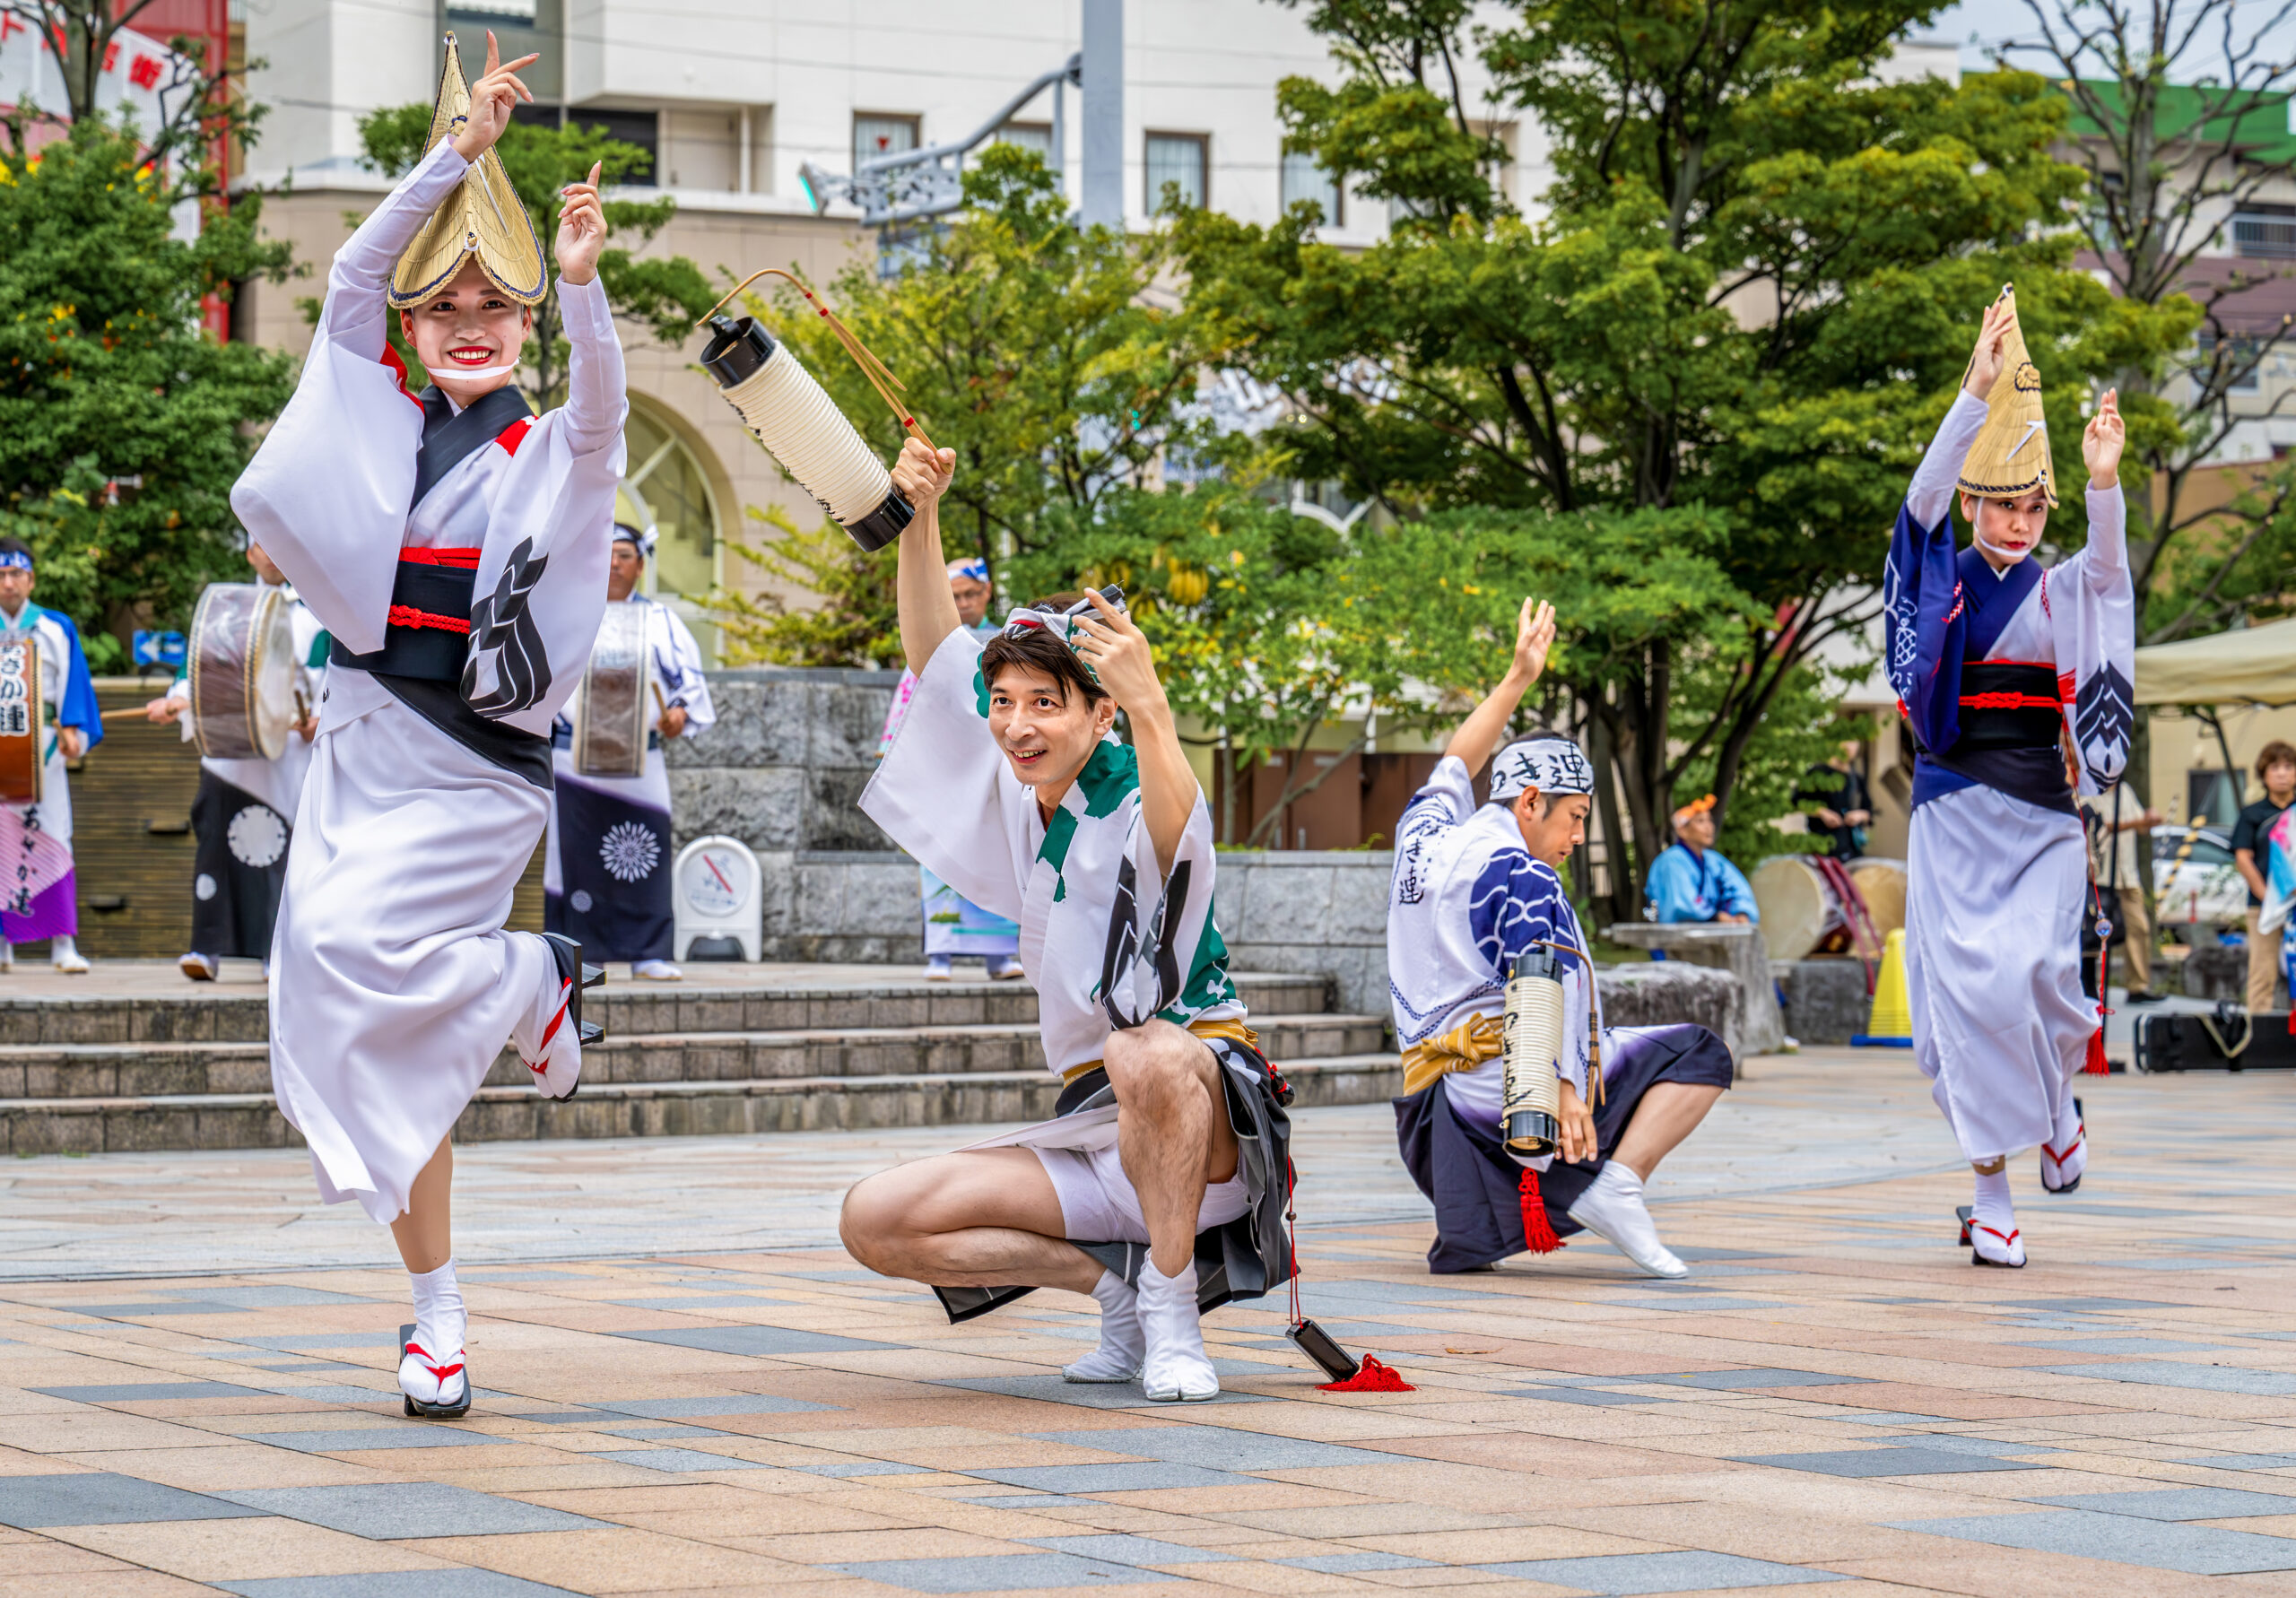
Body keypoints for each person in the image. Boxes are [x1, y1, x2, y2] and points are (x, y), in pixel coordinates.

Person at [228, 31, 622, 1417]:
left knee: (345, 954)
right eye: (443, 303)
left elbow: (605, 418)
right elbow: (342, 281)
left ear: (522, 326)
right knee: (342, 1010)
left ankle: (525, 982)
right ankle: (435, 1314)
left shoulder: (545, 449)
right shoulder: (377, 419)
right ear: (413, 324)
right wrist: (450, 160)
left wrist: (580, 292)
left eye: (495, 307)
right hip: (356, 746)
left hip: (475, 771)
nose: (467, 320)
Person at [840, 439, 1291, 1405]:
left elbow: (1178, 831)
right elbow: (933, 653)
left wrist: (1154, 704)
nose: (1015, 725)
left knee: (1146, 1052)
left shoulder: (1132, 786)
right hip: (1096, 1130)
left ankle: (1174, 1312)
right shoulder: (1019, 787)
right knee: (876, 1219)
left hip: (1201, 1120)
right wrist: (920, 516)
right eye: (1004, 704)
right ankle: (1118, 1291)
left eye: (1046, 704)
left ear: (1098, 715)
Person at [1883, 288, 2133, 1268]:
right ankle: (1991, 1198)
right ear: (1975, 504)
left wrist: (2102, 481)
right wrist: (1971, 395)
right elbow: (1919, 509)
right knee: (1963, 1002)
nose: (2023, 519)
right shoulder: (1937, 576)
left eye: (2037, 504)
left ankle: (2057, 1109)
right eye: (2005, 502)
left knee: (2032, 976)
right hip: (1950, 812)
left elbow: (2109, 580)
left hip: (2040, 814)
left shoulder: (2061, 589)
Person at [1386, 601, 1732, 1279]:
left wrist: (1518, 677)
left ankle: (1534, 1202)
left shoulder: (1423, 837)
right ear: (1530, 802)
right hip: (1509, 1100)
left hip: (1429, 1113)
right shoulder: (1518, 872)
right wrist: (1567, 1088)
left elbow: (1458, 760)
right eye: (1574, 818)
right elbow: (1537, 980)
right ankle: (1616, 1184)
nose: (1577, 838)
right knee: (1700, 1053)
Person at [144, 544, 327, 980]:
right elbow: (197, 670)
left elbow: (328, 679)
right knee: (214, 844)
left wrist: (321, 716)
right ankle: (204, 950)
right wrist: (175, 701)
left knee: (281, 852)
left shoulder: (316, 615)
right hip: (228, 754)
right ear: (249, 553)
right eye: (264, 542)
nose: (274, 552)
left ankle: (275, 952)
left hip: (285, 753)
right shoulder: (227, 611)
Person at [544, 524, 714, 981]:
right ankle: (576, 954)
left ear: (641, 564)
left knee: (643, 852)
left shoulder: (660, 621)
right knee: (573, 859)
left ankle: (647, 951)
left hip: (641, 762)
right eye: (607, 553)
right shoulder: (564, 615)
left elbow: (689, 684)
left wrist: (678, 712)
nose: (615, 563)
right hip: (572, 761)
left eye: (624, 554)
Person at [874, 556, 1022, 981]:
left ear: (987, 593)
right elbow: (909, 702)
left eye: (970, 594)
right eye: (955, 596)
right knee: (938, 860)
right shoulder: (935, 642)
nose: (963, 603)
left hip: (995, 768)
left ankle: (1000, 956)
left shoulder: (1009, 639)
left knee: (997, 856)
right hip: (945, 769)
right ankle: (939, 956)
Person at [0, 537, 102, 975]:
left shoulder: (55, 626)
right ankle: (3, 946)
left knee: (55, 835)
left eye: (16, 574)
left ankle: (63, 942)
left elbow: (74, 689)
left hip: (44, 744)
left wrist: (74, 732)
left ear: (31, 578)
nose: (8, 583)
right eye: (1, 575)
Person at [2078, 779, 2161, 1003]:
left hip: (2127, 873)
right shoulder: (2088, 790)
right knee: (2095, 933)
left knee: (2139, 928)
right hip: (2101, 875)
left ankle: (2137, 985)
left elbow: (2141, 827)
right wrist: (2137, 822)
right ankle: (2087, 984)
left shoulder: (2125, 789)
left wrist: (2149, 821)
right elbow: (2099, 825)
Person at [2233, 741, 2295, 1013]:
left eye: (2288, 767)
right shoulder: (2252, 814)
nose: (2282, 773)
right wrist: (2269, 897)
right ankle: (2258, 1039)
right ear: (2264, 774)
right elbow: (2243, 858)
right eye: (2275, 767)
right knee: (2263, 973)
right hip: (2263, 907)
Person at [1644, 795, 1759, 925]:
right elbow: (1681, 902)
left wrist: (1741, 913)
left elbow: (1736, 888)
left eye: (1709, 820)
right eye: (1700, 821)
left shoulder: (1714, 861)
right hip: (1675, 939)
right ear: (1682, 830)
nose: (1708, 827)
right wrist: (1717, 917)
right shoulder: (1671, 861)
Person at [1796, 741, 1873, 861]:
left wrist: (1859, 815)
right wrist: (1822, 813)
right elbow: (1797, 801)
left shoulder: (1856, 779)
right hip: (1822, 847)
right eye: (1845, 740)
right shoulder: (1817, 772)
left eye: (1853, 742)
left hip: (1851, 849)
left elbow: (1868, 811)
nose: (1848, 746)